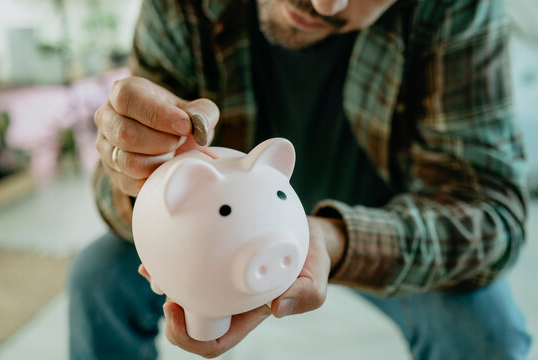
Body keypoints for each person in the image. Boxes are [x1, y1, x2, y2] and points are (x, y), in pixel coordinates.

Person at [68, 0, 533, 358]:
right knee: (96, 276)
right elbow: (117, 195)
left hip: (388, 223)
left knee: (487, 332)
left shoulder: (457, 10)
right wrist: (137, 169)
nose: (327, 5)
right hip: (208, 232)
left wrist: (335, 240)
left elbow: (490, 212)